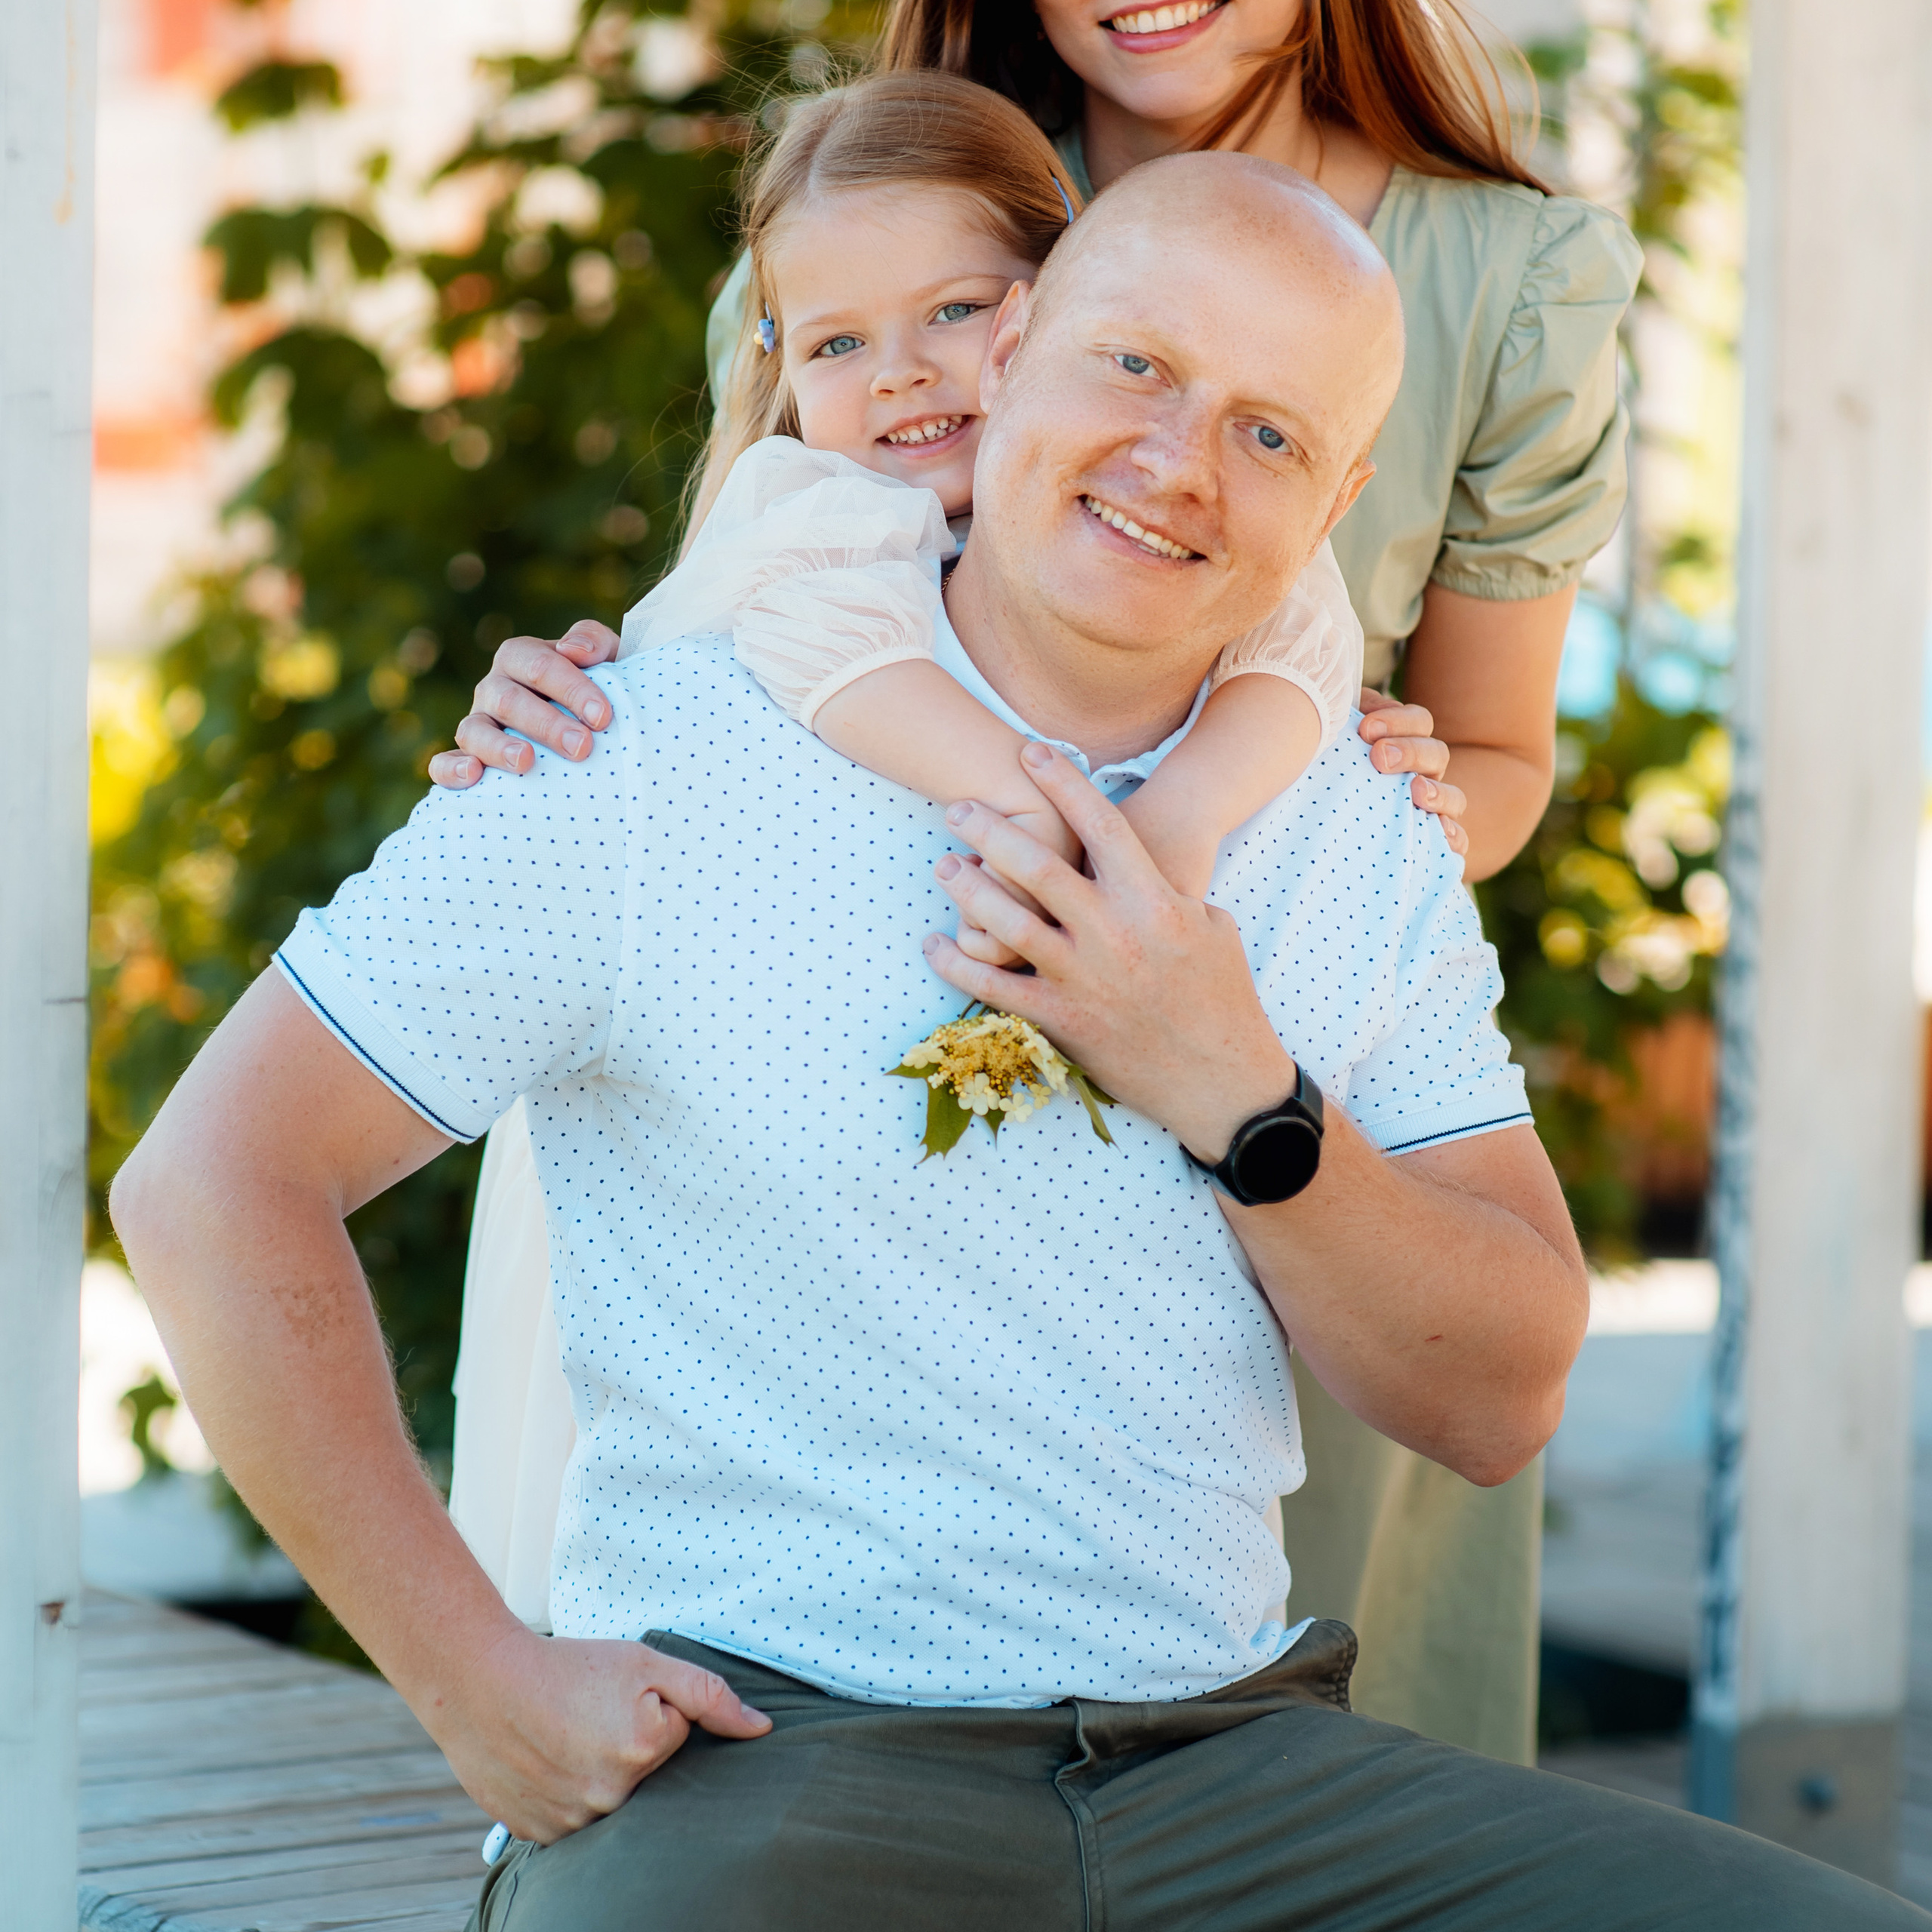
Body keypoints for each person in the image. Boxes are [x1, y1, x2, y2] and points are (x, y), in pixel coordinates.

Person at [114, 156, 1920, 1929]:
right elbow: (212, 1182)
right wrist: (468, 1674)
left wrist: (1235, 1089)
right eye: (1136, 363)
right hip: (768, 1758)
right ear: (1014, 346)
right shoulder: (637, 750)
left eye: (1269, 433)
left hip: (1235, 1769)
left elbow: (1497, 1391)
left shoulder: (1352, 814)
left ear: (1342, 495)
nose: (1176, 461)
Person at [435, 0, 1641, 1761]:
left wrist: (1321, 863)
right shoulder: (920, 187)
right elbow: (771, 574)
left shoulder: (1503, 269)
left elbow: (1477, 739)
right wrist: (576, 706)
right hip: (883, 1032)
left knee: (1303, 1706)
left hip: (1263, 1033)